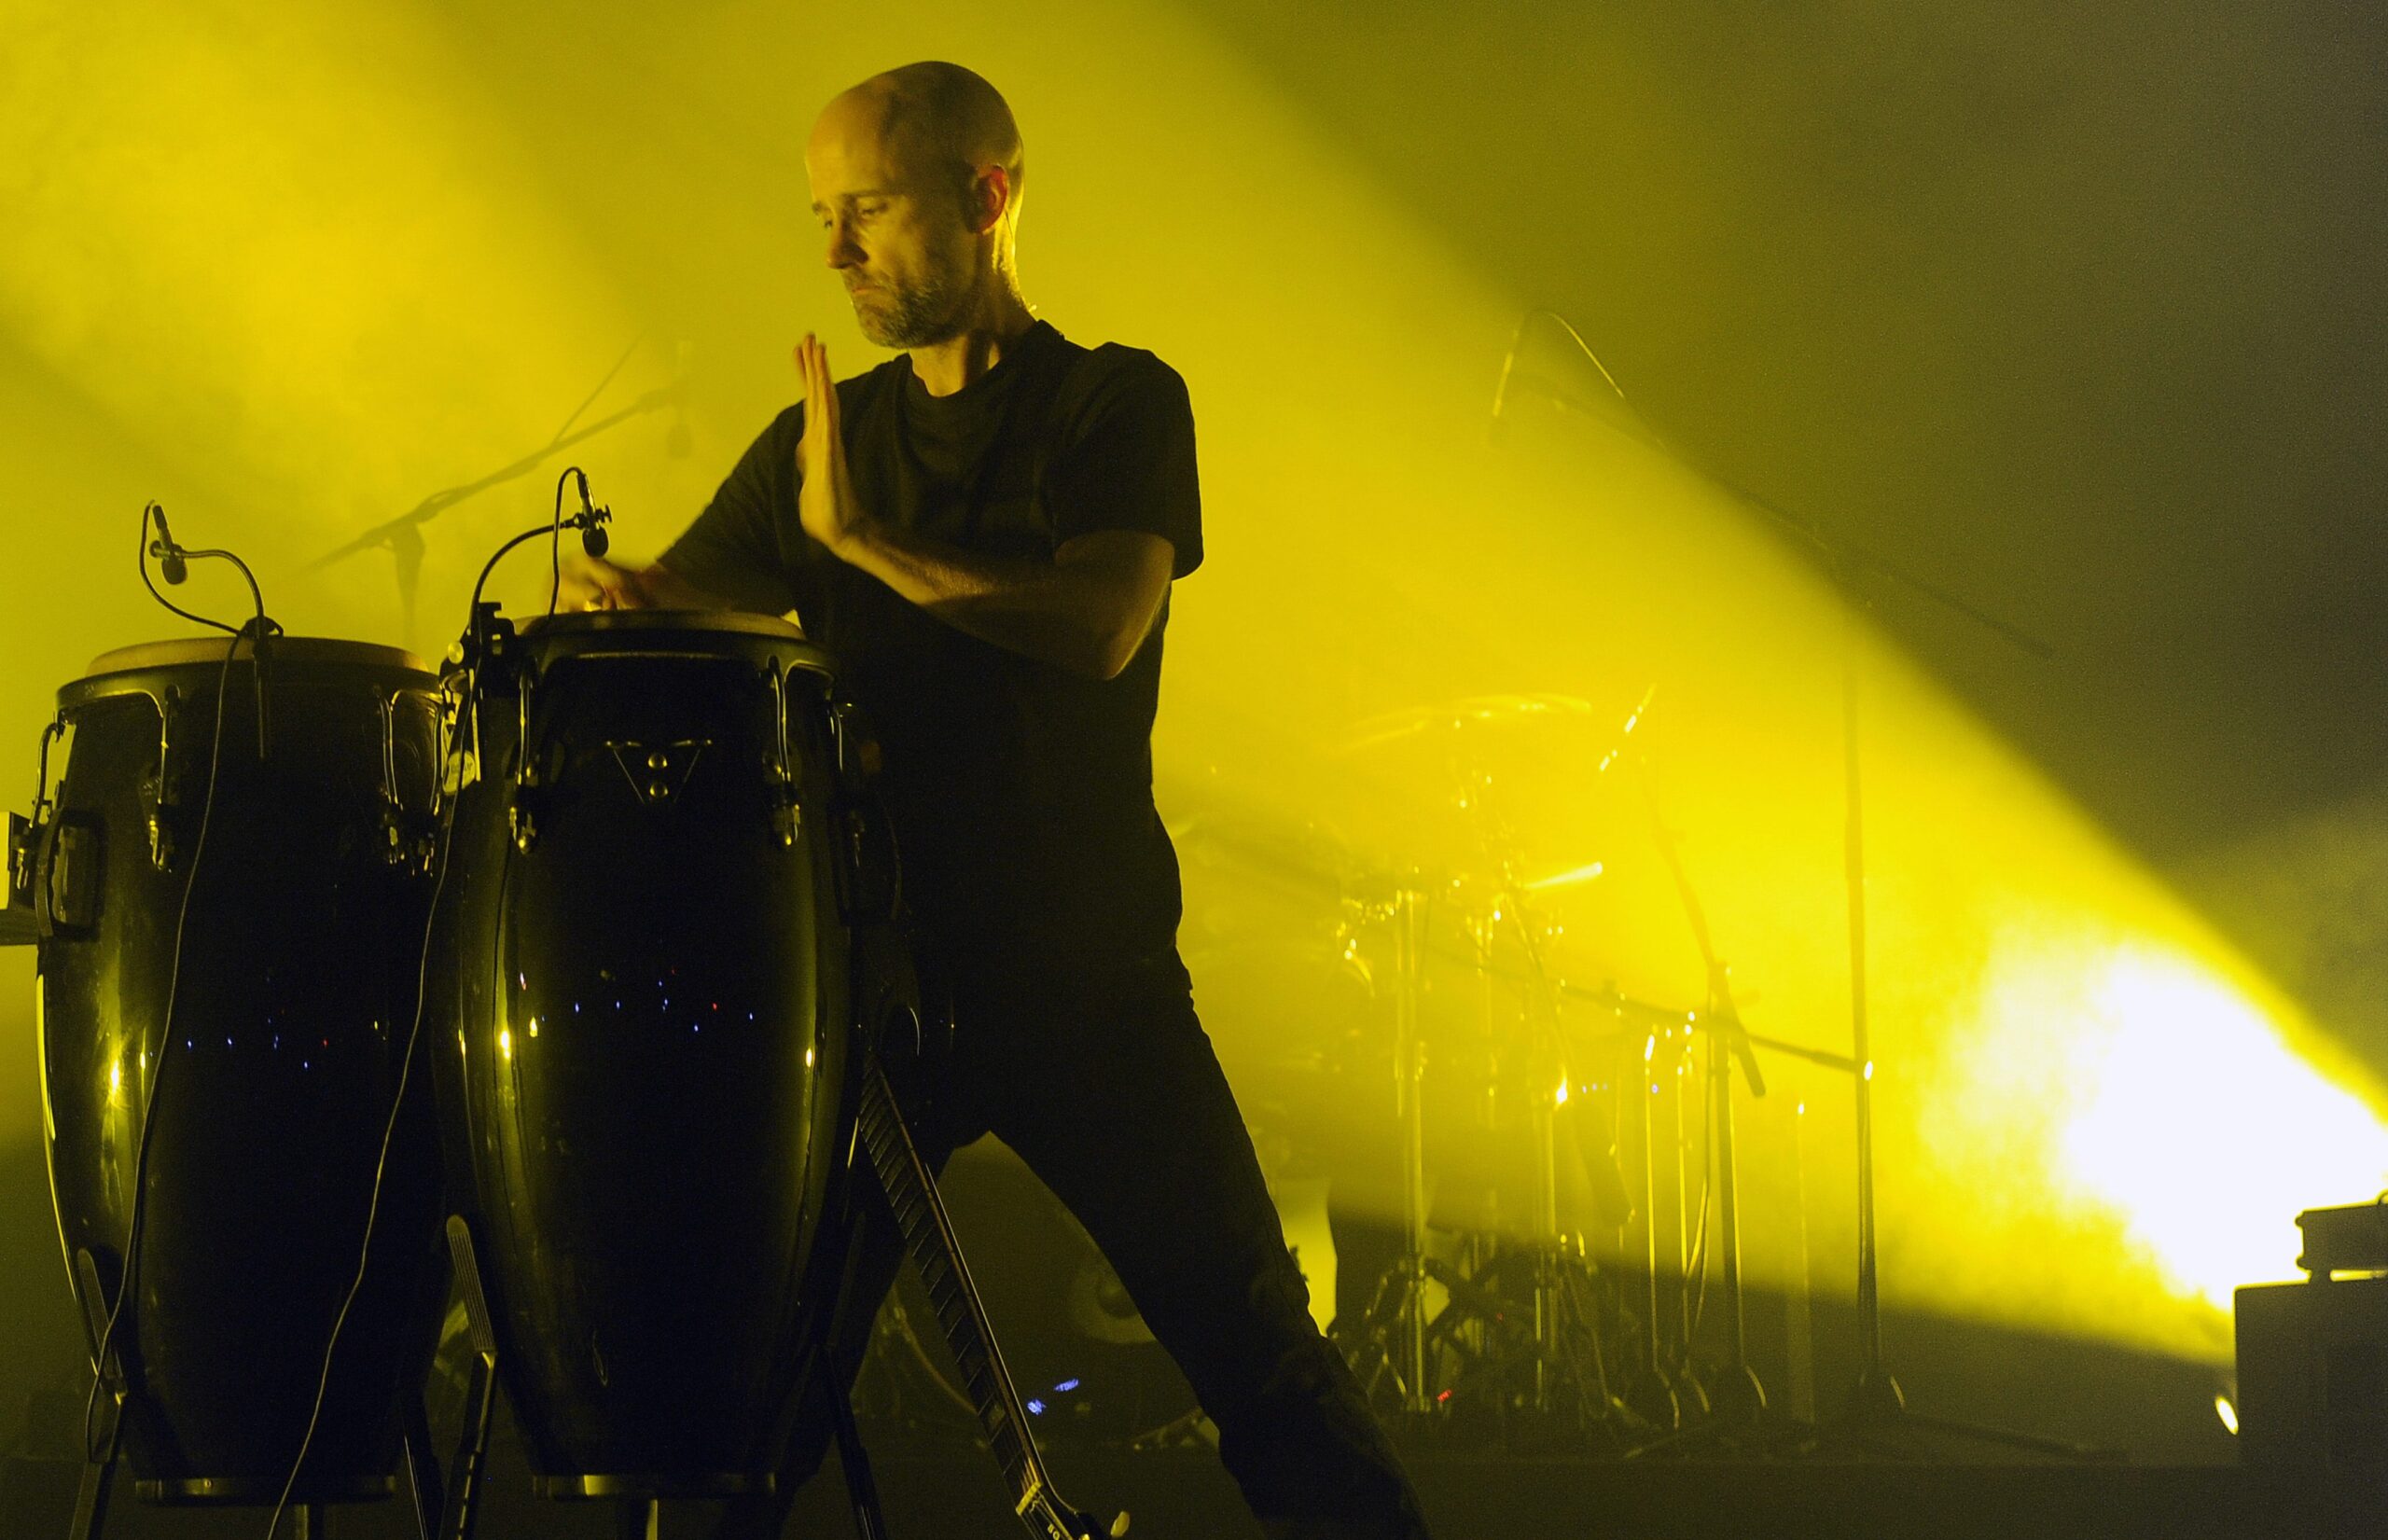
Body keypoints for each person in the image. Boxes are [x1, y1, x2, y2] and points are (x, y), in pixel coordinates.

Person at [562, 61, 1432, 1540]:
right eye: (823, 217)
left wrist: (863, 544)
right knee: (751, 1404)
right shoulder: (821, 445)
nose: (837, 252)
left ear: (987, 197)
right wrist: (620, 606)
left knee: (1260, 1360)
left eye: (869, 209)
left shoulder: (1113, 402)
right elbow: (682, 614)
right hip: (871, 996)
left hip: (1080, 981)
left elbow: (1101, 626)